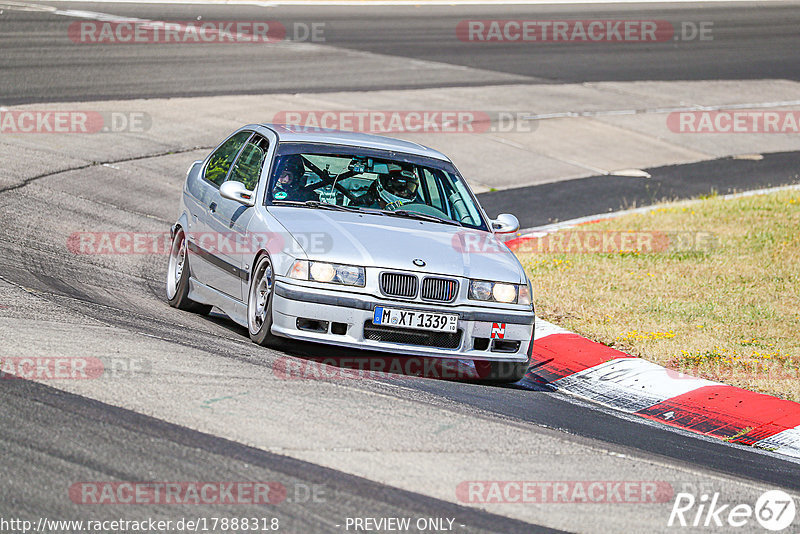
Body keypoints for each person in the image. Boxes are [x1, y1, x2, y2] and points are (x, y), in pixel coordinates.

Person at [356, 168, 420, 210]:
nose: (404, 191)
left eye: (410, 188)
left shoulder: (416, 210)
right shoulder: (362, 208)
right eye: (399, 186)